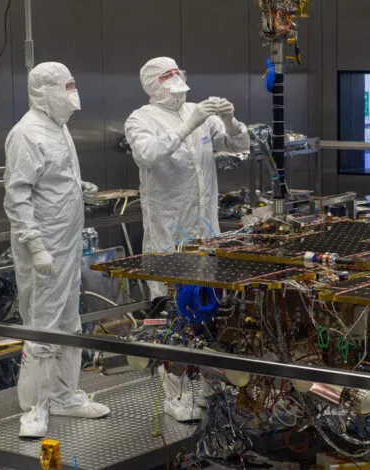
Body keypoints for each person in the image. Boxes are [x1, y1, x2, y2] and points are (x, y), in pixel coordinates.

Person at [124, 57, 249, 422]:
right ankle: (175, 396)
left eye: (178, 73)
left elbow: (239, 145)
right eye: (168, 77)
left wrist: (228, 119)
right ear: (153, 84)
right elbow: (148, 155)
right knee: (171, 317)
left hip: (206, 232)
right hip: (167, 235)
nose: (177, 80)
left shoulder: (200, 112)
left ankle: (211, 388)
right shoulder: (140, 119)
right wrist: (188, 126)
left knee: (210, 313)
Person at [4, 62, 109, 439]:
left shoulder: (58, 128)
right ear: (43, 91)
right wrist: (35, 246)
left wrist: (77, 187)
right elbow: (17, 196)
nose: (70, 98)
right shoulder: (26, 134)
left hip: (67, 243)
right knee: (43, 324)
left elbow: (49, 178)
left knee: (68, 321)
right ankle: (35, 407)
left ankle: (65, 395)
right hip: (45, 249)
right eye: (64, 89)